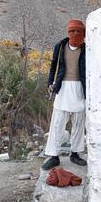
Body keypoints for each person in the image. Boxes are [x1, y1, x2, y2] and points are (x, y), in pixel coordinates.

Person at [41, 19, 87, 170]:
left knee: (79, 123)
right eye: (72, 31)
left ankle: (75, 153)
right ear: (68, 32)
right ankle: (53, 156)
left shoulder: (87, 49)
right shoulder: (60, 47)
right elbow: (53, 65)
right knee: (57, 123)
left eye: (78, 31)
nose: (75, 34)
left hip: (80, 89)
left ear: (84, 34)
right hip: (63, 88)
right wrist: (50, 83)